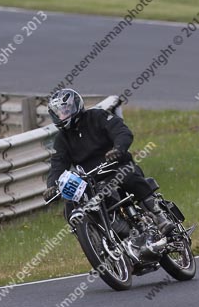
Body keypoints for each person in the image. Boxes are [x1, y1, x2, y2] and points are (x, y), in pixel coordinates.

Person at [43, 89, 174, 235]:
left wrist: (118, 149)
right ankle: (97, 238)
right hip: (92, 181)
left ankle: (158, 214)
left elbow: (121, 131)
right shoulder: (62, 139)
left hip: (117, 167)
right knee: (70, 206)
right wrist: (52, 186)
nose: (63, 115)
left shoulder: (97, 116)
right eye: (59, 113)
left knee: (127, 176)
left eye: (66, 110)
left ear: (76, 106)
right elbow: (57, 163)